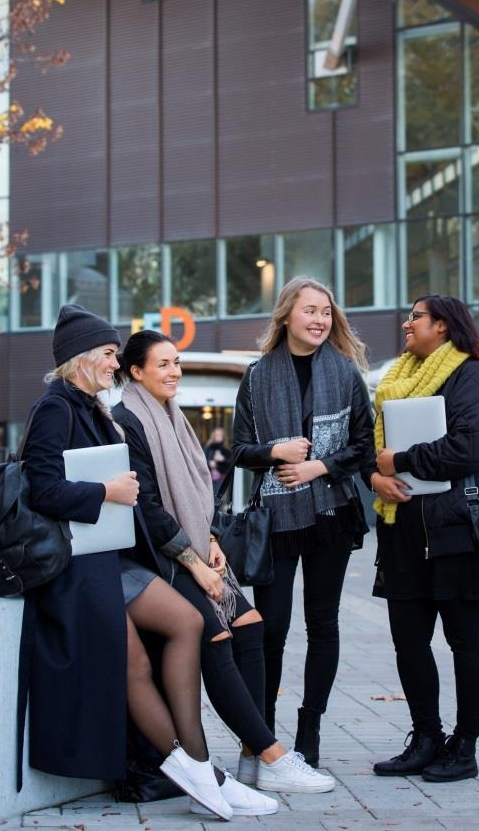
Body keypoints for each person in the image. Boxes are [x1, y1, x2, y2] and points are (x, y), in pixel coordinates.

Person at [18, 304, 252, 820]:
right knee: (137, 663)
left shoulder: (89, 406)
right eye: (107, 354)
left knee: (188, 621)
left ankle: (198, 764)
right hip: (77, 568)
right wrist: (106, 490)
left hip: (108, 558)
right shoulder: (55, 407)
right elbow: (40, 487)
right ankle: (196, 770)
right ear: (81, 358)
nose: (114, 364)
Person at [113, 330, 334, 797]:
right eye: (163, 364)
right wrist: (196, 564)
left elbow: (198, 490)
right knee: (214, 633)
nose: (175, 371)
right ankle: (271, 754)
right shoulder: (127, 419)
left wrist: (212, 538)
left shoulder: (174, 416)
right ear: (135, 372)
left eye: (177, 362)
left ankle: (253, 758)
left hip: (194, 546)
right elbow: (148, 508)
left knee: (251, 624)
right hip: (158, 558)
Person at [368, 294, 479, 783]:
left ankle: (464, 745)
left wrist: (401, 461)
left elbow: (469, 448)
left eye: (416, 317)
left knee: (465, 642)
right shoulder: (396, 379)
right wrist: (376, 475)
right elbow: (375, 448)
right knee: (409, 642)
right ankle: (426, 738)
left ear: (444, 327)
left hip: (456, 534)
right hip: (402, 531)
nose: (407, 324)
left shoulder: (472, 376)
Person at [232, 276, 375, 768]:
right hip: (276, 518)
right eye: (310, 310)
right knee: (271, 628)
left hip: (331, 514)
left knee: (323, 624)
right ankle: (262, 736)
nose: (319, 320)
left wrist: (319, 465)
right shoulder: (256, 376)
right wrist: (275, 451)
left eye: (326, 312)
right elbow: (239, 450)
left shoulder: (346, 372)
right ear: (286, 315)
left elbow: (364, 445)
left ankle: (310, 730)